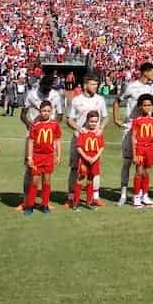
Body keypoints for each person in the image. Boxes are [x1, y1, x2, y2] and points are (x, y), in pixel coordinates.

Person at [115, 62, 153, 206]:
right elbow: (117, 100)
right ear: (145, 72)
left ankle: (141, 194)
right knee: (127, 162)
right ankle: (124, 194)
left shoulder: (151, 88)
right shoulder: (130, 86)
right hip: (130, 128)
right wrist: (116, 119)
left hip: (145, 132)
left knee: (144, 166)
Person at [65, 73, 107, 208]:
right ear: (85, 85)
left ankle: (95, 197)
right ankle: (71, 197)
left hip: (94, 141)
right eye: (93, 84)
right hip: (79, 139)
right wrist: (79, 128)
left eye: (96, 84)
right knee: (74, 168)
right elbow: (69, 120)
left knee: (95, 168)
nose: (96, 87)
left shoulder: (100, 99)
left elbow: (106, 117)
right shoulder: (76, 100)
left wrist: (101, 127)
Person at [23, 100, 62, 215]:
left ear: (51, 112)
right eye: (44, 111)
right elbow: (31, 141)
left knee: (47, 181)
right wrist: (29, 157)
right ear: (40, 111)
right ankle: (30, 205)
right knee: (34, 181)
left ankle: (45, 204)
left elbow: (58, 140)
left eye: (48, 111)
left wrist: (58, 155)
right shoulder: (35, 125)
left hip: (49, 157)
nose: (46, 113)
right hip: (36, 157)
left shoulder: (55, 125)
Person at [130, 94, 153, 208]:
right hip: (140, 148)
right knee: (139, 172)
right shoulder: (137, 121)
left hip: (150, 148)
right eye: (145, 105)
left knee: (146, 172)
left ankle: (145, 195)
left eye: (149, 105)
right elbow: (133, 137)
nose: (147, 107)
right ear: (140, 106)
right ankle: (136, 196)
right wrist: (134, 154)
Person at [71, 112, 105, 210]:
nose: (93, 124)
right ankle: (76, 202)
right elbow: (78, 147)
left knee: (91, 179)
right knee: (81, 178)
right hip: (84, 160)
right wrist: (86, 157)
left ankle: (89, 202)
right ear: (87, 120)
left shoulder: (98, 133)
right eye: (91, 121)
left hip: (94, 160)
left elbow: (101, 147)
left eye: (95, 122)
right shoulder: (83, 132)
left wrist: (95, 158)